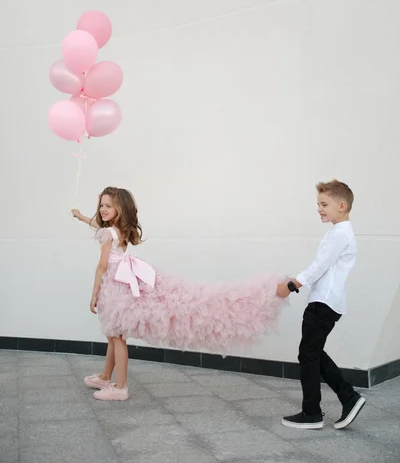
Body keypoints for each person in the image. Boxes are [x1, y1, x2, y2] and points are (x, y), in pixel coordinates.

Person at [72, 186, 283, 401]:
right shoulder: (118, 229)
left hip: (115, 286)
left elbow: (101, 266)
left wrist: (94, 293)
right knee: (113, 335)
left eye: (108, 205)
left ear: (119, 208)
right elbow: (98, 226)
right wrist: (80, 216)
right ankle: (106, 377)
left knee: (116, 336)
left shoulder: (109, 232)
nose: (103, 209)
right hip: (123, 283)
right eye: (101, 205)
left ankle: (121, 386)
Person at [276, 180, 366, 430]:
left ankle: (313, 413)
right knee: (312, 353)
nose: (319, 209)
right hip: (325, 302)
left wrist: (292, 285)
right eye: (318, 205)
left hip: (324, 303)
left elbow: (319, 267)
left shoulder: (340, 233)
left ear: (342, 205)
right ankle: (348, 398)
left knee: (308, 354)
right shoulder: (338, 232)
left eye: (324, 204)